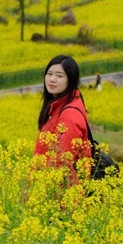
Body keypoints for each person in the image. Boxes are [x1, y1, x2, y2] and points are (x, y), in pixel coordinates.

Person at [33, 54, 92, 183]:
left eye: (59, 76)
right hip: (48, 185)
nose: (52, 79)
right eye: (49, 74)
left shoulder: (70, 115)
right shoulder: (56, 107)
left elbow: (62, 161)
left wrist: (43, 189)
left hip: (59, 190)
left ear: (70, 80)